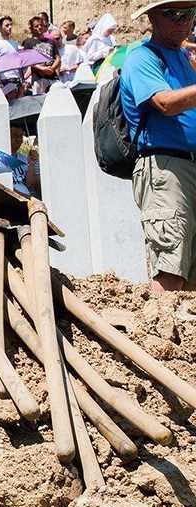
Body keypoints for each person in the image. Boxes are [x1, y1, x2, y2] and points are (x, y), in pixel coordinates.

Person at [120, 1, 196, 292]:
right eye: (172, 14)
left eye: (188, 13)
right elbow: (164, 103)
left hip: (185, 165)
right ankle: (159, 332)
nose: (182, 20)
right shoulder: (142, 57)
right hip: (166, 168)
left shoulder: (185, 58)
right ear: (152, 18)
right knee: (170, 266)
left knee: (189, 273)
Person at [23, 16, 61, 94]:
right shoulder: (29, 43)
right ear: (31, 29)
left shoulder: (51, 42)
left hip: (52, 77)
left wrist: (51, 69)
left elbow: (57, 58)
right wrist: (42, 69)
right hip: (38, 78)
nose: (40, 27)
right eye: (36, 26)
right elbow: (29, 62)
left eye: (41, 25)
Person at [9, 125, 40, 197]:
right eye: (15, 136)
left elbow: (30, 185)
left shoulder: (23, 158)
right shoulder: (1, 159)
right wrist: (25, 198)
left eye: (21, 136)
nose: (19, 139)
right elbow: (6, 187)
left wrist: (31, 164)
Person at [0, 16, 23, 89]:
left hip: (17, 78)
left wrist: (22, 79)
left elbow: (18, 62)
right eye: (7, 25)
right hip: (5, 78)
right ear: (0, 28)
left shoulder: (14, 43)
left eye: (10, 25)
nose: (10, 27)